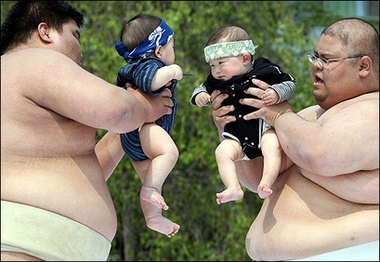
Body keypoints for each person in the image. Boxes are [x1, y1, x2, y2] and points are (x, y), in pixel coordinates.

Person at [1, 2, 174, 261]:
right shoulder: (33, 58)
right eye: (75, 35)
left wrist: (131, 127)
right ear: (45, 32)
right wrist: (142, 106)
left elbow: (81, 171)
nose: (80, 53)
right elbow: (117, 110)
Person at [210, 17, 379, 260]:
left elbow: (318, 154)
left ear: (363, 66)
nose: (316, 66)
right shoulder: (312, 118)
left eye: (326, 59)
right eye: (315, 57)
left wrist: (279, 116)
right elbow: (257, 177)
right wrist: (231, 127)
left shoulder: (373, 110)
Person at [190, 25, 296, 202]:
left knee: (272, 144)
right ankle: (232, 187)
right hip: (237, 139)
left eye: (221, 63)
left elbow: (290, 83)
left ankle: (267, 182)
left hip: (264, 130)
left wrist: (277, 93)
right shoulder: (216, 81)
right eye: (212, 65)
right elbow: (201, 88)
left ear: (245, 58)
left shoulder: (265, 70)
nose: (216, 70)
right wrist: (200, 96)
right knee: (222, 152)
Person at [114, 13, 182, 237]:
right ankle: (151, 192)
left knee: (151, 180)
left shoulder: (139, 64)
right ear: (159, 50)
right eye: (172, 45)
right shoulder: (147, 65)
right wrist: (171, 71)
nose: (174, 51)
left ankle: (153, 217)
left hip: (134, 141)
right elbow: (149, 81)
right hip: (145, 129)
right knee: (169, 153)